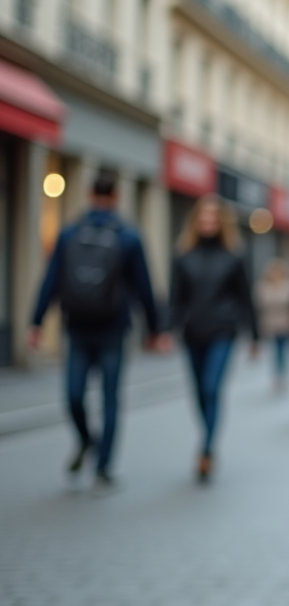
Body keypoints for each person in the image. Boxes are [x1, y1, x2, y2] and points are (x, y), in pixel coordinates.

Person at [28, 170, 166, 492]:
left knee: (73, 395)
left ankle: (90, 445)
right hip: (113, 329)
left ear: (89, 194)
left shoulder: (68, 233)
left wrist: (35, 322)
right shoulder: (129, 236)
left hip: (76, 327)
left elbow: (50, 280)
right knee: (110, 399)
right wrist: (156, 327)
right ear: (116, 197)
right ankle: (102, 464)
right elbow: (145, 286)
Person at [169, 195, 258, 483]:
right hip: (192, 332)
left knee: (211, 388)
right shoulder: (183, 254)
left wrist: (254, 335)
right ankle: (206, 440)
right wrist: (165, 330)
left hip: (222, 331)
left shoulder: (234, 255)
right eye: (203, 218)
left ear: (221, 222)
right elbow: (175, 298)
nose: (208, 222)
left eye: (213, 218)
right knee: (198, 393)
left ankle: (206, 448)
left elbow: (246, 297)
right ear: (196, 221)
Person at [255, 259, 289, 392]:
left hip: (285, 323)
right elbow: (260, 301)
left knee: (282, 349)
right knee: (276, 350)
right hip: (270, 323)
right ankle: (278, 375)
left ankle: (282, 375)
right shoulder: (263, 285)